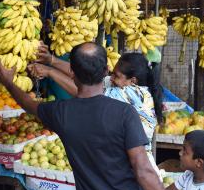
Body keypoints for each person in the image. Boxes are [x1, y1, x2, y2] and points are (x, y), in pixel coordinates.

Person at [0, 42, 182, 190]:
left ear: (73, 73)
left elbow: (28, 104)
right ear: (106, 71)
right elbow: (144, 171)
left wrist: (9, 82)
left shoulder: (61, 113)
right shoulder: (125, 113)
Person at [29, 43, 162, 152]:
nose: (112, 78)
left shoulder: (136, 94)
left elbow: (87, 94)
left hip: (134, 163)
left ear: (132, 80)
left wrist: (50, 72)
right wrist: (52, 61)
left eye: (116, 75)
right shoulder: (119, 85)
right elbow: (88, 72)